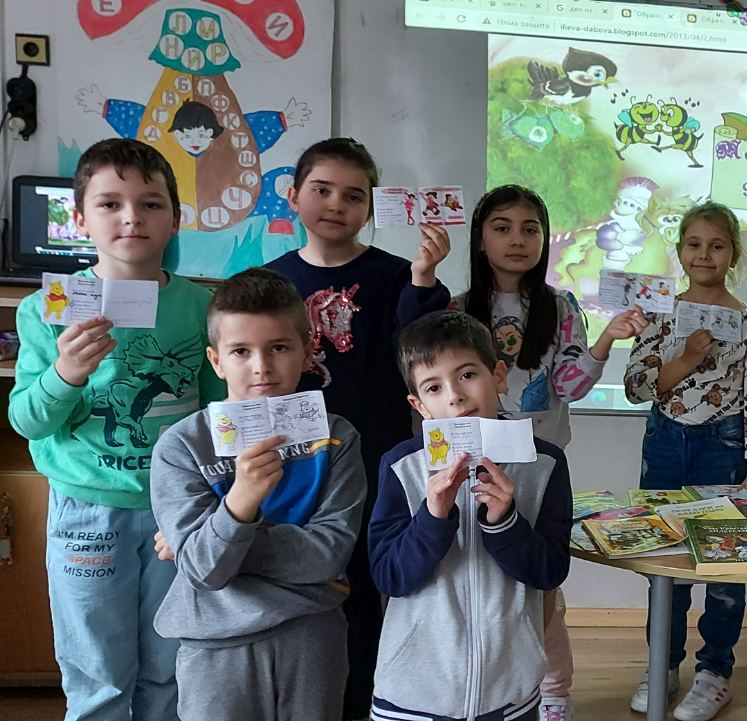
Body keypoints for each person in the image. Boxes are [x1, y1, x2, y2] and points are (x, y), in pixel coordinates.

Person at [9, 138, 225, 721]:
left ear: (175, 219)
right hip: (87, 509)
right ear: (79, 219)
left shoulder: (202, 308)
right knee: (97, 672)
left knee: (170, 664)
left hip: (177, 508)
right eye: (109, 204)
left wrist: (215, 497)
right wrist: (65, 373)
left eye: (151, 204)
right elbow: (27, 420)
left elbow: (217, 413)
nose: (132, 217)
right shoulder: (48, 307)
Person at [263, 137, 451, 717]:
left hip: (375, 457)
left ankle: (366, 704)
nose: (336, 205)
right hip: (294, 460)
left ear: (372, 207)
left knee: (368, 588)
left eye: (353, 195)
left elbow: (420, 352)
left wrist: (424, 278)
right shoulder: (267, 281)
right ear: (293, 195)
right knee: (298, 579)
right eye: (322, 190)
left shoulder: (395, 275)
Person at [453, 183, 646, 721]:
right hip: (473, 464)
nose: (517, 239)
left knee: (540, 587)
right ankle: (492, 690)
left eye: (530, 229)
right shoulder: (458, 309)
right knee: (480, 581)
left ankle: (554, 692)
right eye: (502, 228)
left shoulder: (559, 307)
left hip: (541, 467)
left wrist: (606, 341)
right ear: (480, 238)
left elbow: (569, 384)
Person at [149, 268, 365, 720]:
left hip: (312, 635)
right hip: (215, 644)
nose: (261, 366)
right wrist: (239, 503)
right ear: (216, 361)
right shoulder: (181, 446)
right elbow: (205, 572)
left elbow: (327, 555)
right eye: (241, 351)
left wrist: (210, 541)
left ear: (308, 351)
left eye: (279, 348)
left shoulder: (337, 438)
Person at [368, 310, 573, 721]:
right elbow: (390, 577)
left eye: (466, 375)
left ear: (498, 376)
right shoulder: (401, 466)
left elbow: (550, 571)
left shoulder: (544, 462)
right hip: (411, 696)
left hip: (510, 693)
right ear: (419, 405)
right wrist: (432, 516)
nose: (455, 396)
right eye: (433, 387)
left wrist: (505, 522)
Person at [624, 202, 747, 721]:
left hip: (724, 447)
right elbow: (637, 386)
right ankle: (662, 664)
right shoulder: (660, 311)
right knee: (664, 560)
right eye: (694, 244)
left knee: (726, 562)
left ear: (733, 253)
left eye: (717, 245)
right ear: (680, 249)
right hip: (665, 442)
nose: (704, 254)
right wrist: (688, 357)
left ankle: (714, 672)